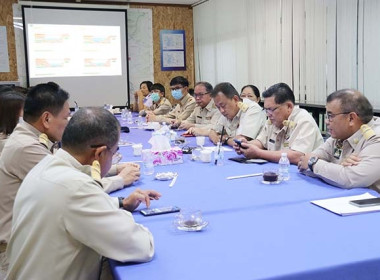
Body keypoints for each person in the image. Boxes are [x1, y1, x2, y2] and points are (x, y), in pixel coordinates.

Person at [6, 107, 161, 279]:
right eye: (114, 152)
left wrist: (120, 203)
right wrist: (124, 217)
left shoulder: (47, 165)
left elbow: (72, 209)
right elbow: (141, 246)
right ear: (100, 153)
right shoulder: (76, 187)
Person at [0, 82, 139, 264]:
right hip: (23, 248)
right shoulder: (25, 147)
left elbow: (71, 169)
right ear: (47, 119)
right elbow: (74, 184)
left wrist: (112, 168)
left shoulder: (31, 138)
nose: (69, 123)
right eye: (66, 117)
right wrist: (120, 180)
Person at [298, 89, 380, 192]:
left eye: (330, 116)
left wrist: (313, 164)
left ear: (351, 118)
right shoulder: (339, 135)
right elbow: (303, 163)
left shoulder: (376, 138)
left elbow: (349, 179)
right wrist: (339, 167)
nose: (326, 121)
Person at [234, 83, 323, 164]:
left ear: (289, 106)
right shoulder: (272, 120)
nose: (268, 114)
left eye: (271, 109)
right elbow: (261, 142)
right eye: (266, 109)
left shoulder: (304, 120)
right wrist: (246, 145)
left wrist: (259, 153)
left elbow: (297, 156)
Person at [209, 82, 266, 146]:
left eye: (223, 105)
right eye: (218, 107)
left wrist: (226, 139)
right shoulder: (227, 112)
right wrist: (217, 139)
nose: (221, 111)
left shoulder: (253, 109)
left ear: (235, 99)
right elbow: (212, 131)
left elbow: (241, 140)